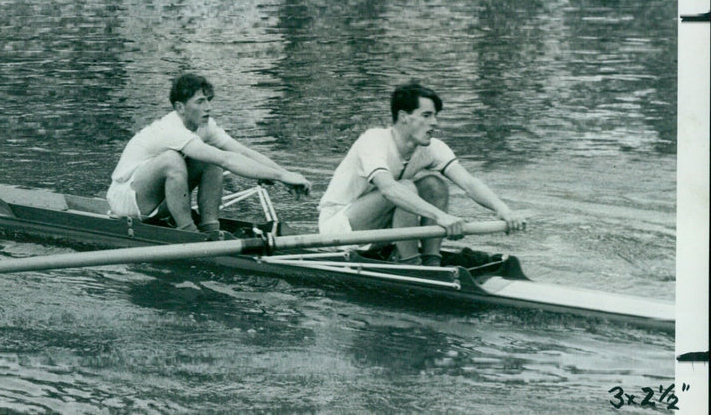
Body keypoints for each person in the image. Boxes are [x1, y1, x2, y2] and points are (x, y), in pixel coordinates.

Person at [318, 81, 526, 266]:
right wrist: (441, 217)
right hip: (340, 229)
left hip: (380, 229)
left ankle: (431, 260)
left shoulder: (432, 147)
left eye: (435, 116)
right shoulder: (373, 140)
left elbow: (469, 183)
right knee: (405, 187)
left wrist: (503, 210)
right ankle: (411, 263)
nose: (434, 123)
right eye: (426, 115)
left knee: (435, 184)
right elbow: (389, 189)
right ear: (403, 117)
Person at [107, 73, 311, 234]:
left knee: (211, 160)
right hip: (126, 202)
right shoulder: (170, 129)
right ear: (180, 107)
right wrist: (280, 176)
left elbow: (242, 152)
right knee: (173, 159)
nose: (208, 108)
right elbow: (228, 159)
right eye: (200, 102)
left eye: (208, 101)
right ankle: (188, 232)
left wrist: (285, 176)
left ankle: (210, 228)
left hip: (155, 201)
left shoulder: (205, 125)